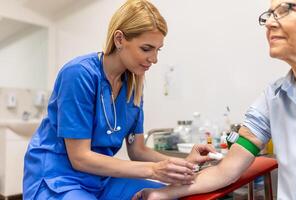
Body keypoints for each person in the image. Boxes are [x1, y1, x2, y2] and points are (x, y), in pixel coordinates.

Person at [23, 0, 215, 199]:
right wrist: (154, 170)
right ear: (120, 39)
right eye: (147, 48)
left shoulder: (133, 86)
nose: (154, 59)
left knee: (168, 195)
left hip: (100, 178)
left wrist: (183, 166)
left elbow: (138, 150)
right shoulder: (79, 74)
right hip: (58, 178)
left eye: (158, 50)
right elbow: (79, 158)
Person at [133, 0, 296, 199]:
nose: (269, 23)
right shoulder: (274, 98)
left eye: (283, 10)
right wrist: (163, 193)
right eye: (269, 14)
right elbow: (226, 170)